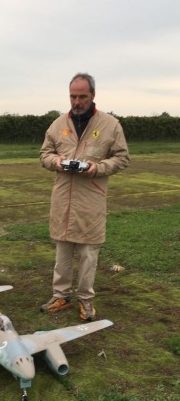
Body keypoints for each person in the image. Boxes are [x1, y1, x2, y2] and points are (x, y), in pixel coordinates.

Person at [40, 73, 129, 321]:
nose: (76, 101)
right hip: (62, 198)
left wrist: (97, 168)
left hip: (91, 199)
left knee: (88, 253)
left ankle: (86, 300)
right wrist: (56, 161)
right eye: (72, 96)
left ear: (93, 95)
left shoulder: (110, 125)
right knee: (62, 251)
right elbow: (44, 154)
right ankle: (60, 295)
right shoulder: (58, 125)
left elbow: (122, 158)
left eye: (82, 96)